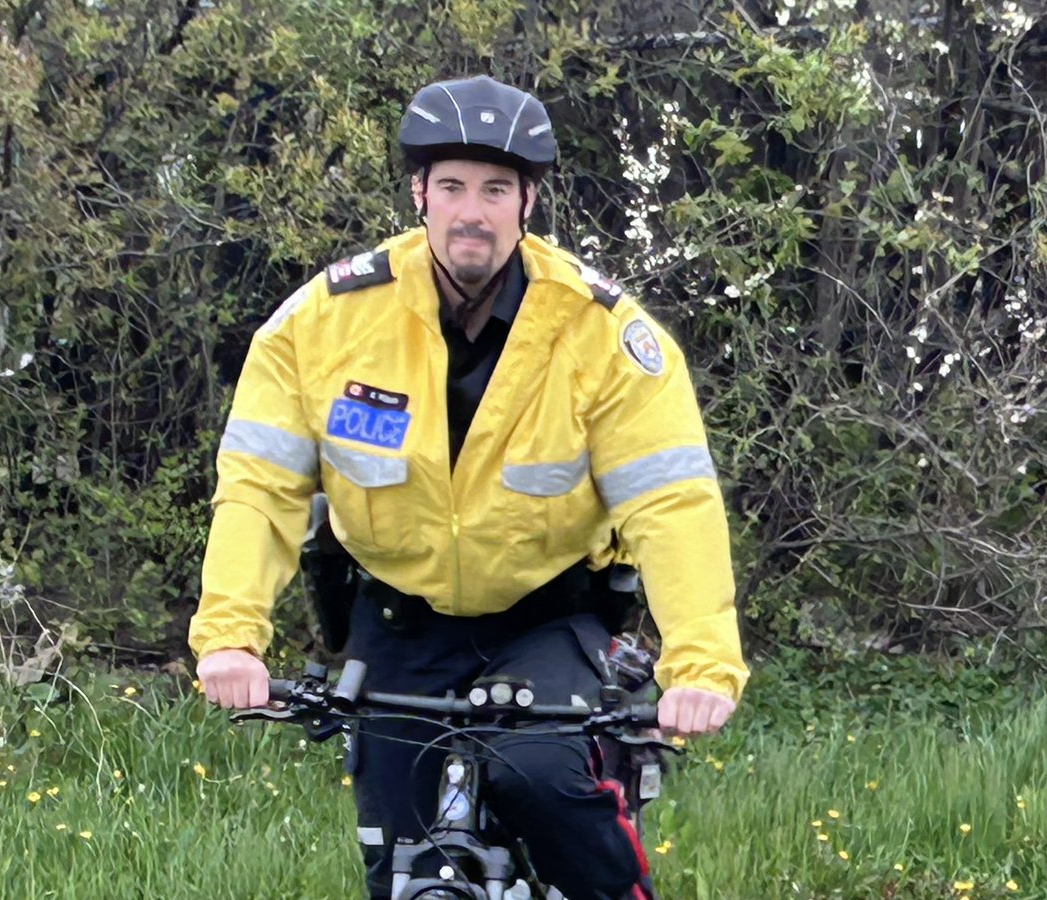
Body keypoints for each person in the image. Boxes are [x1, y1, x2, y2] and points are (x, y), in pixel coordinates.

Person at [189, 74, 749, 900]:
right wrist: (231, 636)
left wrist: (701, 667)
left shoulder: (601, 333)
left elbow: (670, 504)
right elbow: (259, 488)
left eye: (495, 189)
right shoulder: (324, 322)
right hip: (396, 618)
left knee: (541, 777)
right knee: (401, 867)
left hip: (548, 615)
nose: (471, 212)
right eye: (451, 186)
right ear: (421, 194)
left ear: (528, 203)